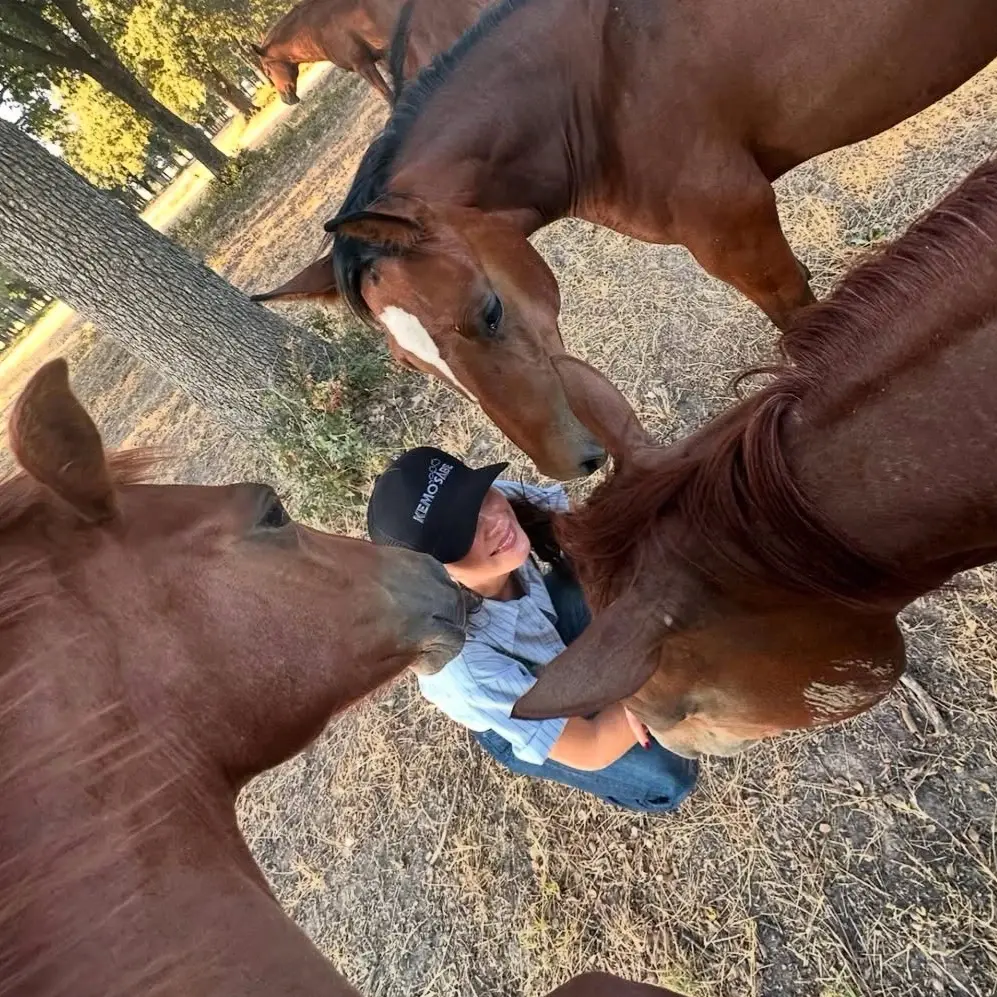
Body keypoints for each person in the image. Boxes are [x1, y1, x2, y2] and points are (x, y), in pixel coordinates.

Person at [366, 447, 697, 813]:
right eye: (462, 530)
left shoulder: (499, 515)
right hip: (516, 701)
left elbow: (596, 538)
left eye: (478, 494)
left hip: (545, 619)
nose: (493, 517)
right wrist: (640, 690)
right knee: (668, 774)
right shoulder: (467, 669)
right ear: (435, 577)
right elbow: (592, 745)